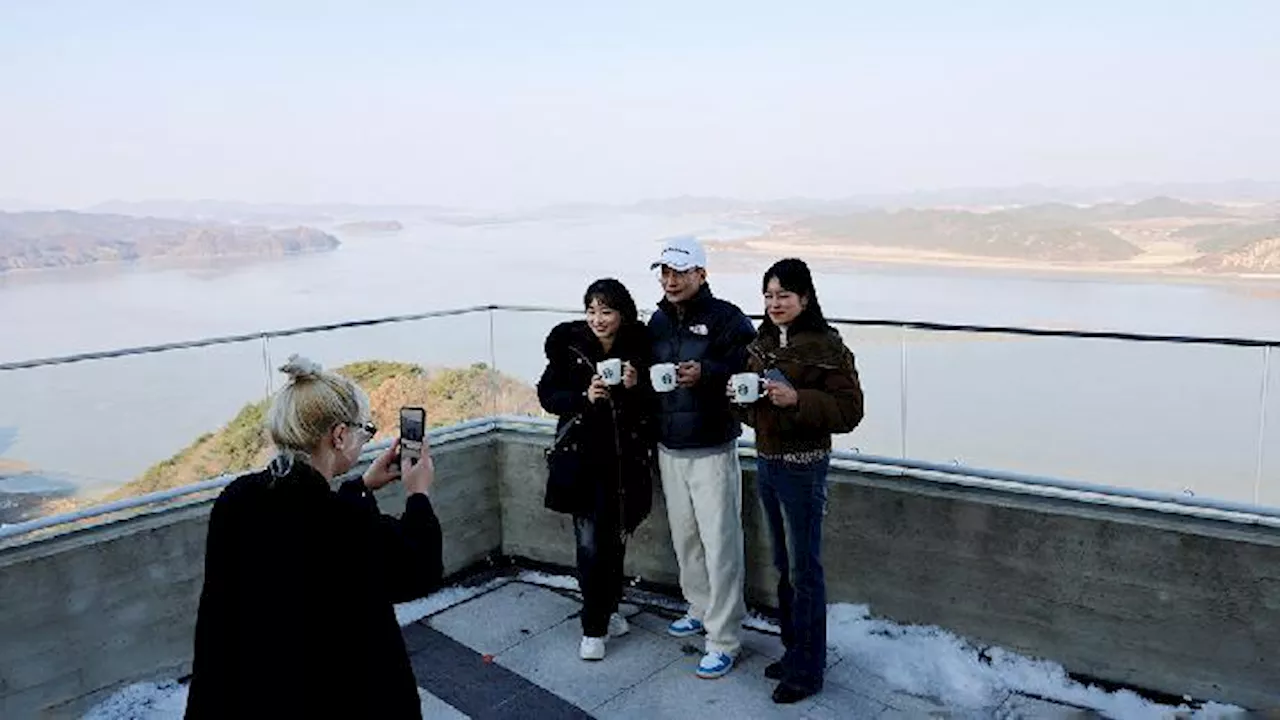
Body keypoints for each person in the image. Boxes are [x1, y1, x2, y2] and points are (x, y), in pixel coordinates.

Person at [185, 355, 443, 720]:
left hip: (247, 696)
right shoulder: (345, 523)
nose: (363, 439)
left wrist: (361, 486)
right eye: (363, 431)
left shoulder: (238, 499)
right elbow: (420, 568)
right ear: (339, 435)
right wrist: (418, 494)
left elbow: (306, 526)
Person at [732, 258, 864, 704]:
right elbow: (751, 409)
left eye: (783, 296)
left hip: (805, 467)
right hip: (768, 462)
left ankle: (808, 670)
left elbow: (850, 411)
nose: (774, 304)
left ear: (804, 298)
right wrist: (740, 399)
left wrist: (797, 399)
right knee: (785, 567)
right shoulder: (762, 341)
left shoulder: (826, 346)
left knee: (806, 570)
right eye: (768, 296)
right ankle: (793, 653)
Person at [647, 235, 757, 679]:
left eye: (678, 272)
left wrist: (709, 373)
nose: (670, 280)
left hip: (712, 446)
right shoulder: (656, 320)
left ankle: (725, 636)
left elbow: (753, 367)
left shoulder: (728, 319)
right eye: (665, 272)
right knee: (686, 538)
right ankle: (699, 606)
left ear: (701, 273)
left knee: (721, 544)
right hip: (669, 443)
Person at [536, 278, 655, 661]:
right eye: (591, 311)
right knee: (589, 546)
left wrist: (638, 386)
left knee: (617, 539)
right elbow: (547, 396)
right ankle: (592, 628)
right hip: (584, 462)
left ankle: (610, 610)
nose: (598, 319)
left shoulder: (640, 349)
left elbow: (654, 407)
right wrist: (583, 398)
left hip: (626, 463)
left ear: (623, 314)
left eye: (606, 311)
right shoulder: (570, 348)